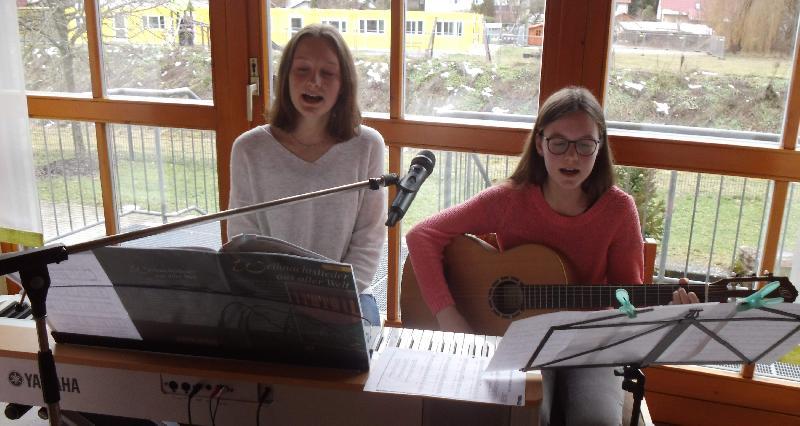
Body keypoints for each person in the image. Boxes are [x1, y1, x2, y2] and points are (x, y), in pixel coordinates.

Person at [405, 86, 696, 425]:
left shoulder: (618, 210)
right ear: (540, 143)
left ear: (599, 147)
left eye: (585, 144)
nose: (571, 156)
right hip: (521, 339)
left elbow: (626, 302)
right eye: (559, 142)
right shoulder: (509, 199)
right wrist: (450, 318)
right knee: (528, 415)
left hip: (591, 343)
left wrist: (666, 313)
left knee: (594, 422)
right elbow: (421, 235)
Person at [227, 24, 386, 327]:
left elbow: (368, 237)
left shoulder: (368, 145)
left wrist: (333, 300)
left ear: (344, 84)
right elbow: (242, 239)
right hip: (269, 298)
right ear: (285, 77)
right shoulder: (249, 149)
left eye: (327, 73)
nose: (314, 82)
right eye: (302, 70)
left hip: (346, 299)